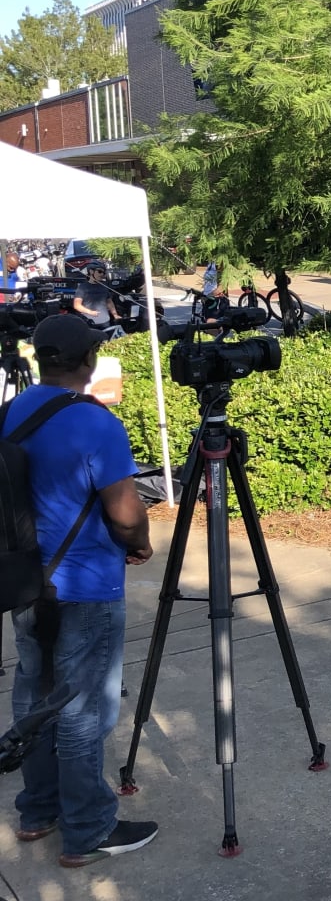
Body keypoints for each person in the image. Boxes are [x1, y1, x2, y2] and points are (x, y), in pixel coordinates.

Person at [3, 315, 158, 868]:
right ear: (89, 360)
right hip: (87, 586)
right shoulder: (97, 424)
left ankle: (37, 810)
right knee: (83, 711)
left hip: (25, 583)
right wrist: (139, 542)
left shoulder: (15, 410)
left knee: (35, 696)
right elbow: (124, 511)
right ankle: (88, 828)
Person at [72, 262, 119, 329]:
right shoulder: (83, 287)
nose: (102, 274)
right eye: (99, 271)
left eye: (104, 272)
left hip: (105, 322)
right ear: (91, 271)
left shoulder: (104, 286)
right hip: (89, 323)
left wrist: (115, 315)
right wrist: (90, 312)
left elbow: (109, 302)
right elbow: (77, 305)